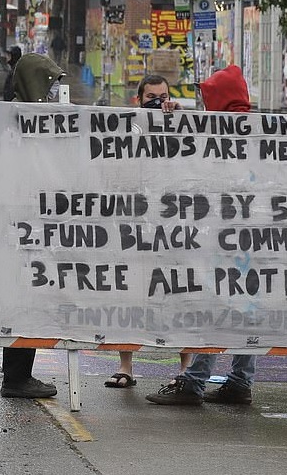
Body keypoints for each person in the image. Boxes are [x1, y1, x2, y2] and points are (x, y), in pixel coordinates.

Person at [146, 64, 256, 407]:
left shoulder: (222, 130)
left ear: (219, 100)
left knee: (214, 307)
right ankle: (240, 381)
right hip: (255, 242)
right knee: (244, 309)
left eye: (209, 98)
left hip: (221, 240)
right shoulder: (258, 127)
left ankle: (193, 382)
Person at [105, 74, 189, 389]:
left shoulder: (177, 123)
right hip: (135, 224)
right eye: (150, 96)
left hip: (172, 227)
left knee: (180, 295)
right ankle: (126, 366)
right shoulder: (128, 127)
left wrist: (178, 119)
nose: (157, 101)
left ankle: (186, 371)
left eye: (162, 96)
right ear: (137, 100)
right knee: (130, 294)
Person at [0, 52, 64, 399]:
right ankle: (16, 376)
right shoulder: (12, 118)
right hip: (18, 225)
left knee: (30, 298)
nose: (55, 92)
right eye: (51, 84)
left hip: (35, 223)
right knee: (20, 300)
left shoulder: (40, 118)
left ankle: (21, 372)